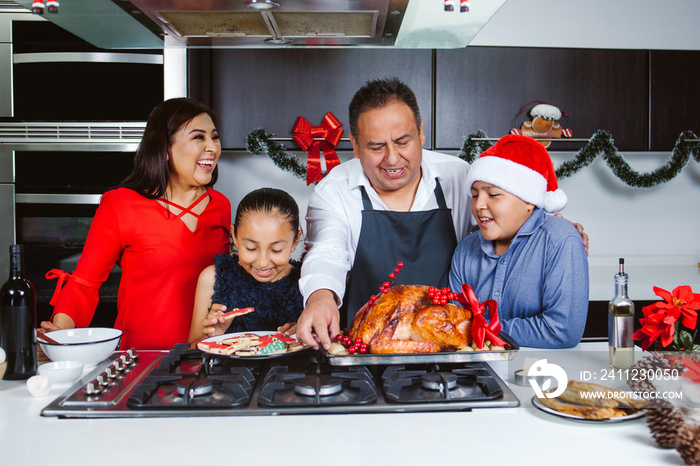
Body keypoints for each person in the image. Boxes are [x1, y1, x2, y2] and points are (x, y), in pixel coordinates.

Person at [296, 77, 589, 351]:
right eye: (376, 147)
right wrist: (321, 298)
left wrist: (547, 229)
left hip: (447, 351)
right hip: (369, 350)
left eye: (402, 141)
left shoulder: (458, 176)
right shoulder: (334, 190)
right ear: (356, 145)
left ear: (421, 132)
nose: (393, 158)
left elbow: (502, 221)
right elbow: (327, 254)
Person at [41, 98, 231, 350]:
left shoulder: (221, 206)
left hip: (207, 356)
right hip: (140, 359)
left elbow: (229, 283)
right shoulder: (120, 204)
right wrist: (60, 334)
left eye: (214, 137)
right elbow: (84, 284)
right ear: (164, 148)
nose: (212, 147)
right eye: (199, 137)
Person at [449, 135, 589, 348]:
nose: (479, 205)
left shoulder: (560, 240)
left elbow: (562, 331)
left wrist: (479, 328)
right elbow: (453, 324)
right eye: (475, 195)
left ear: (529, 201)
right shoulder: (465, 251)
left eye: (494, 194)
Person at [188, 188, 304, 343]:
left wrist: (304, 334)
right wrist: (212, 336)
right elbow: (191, 355)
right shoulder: (212, 279)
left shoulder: (308, 283)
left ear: (295, 241)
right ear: (234, 237)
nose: (262, 262)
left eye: (276, 250)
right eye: (251, 248)